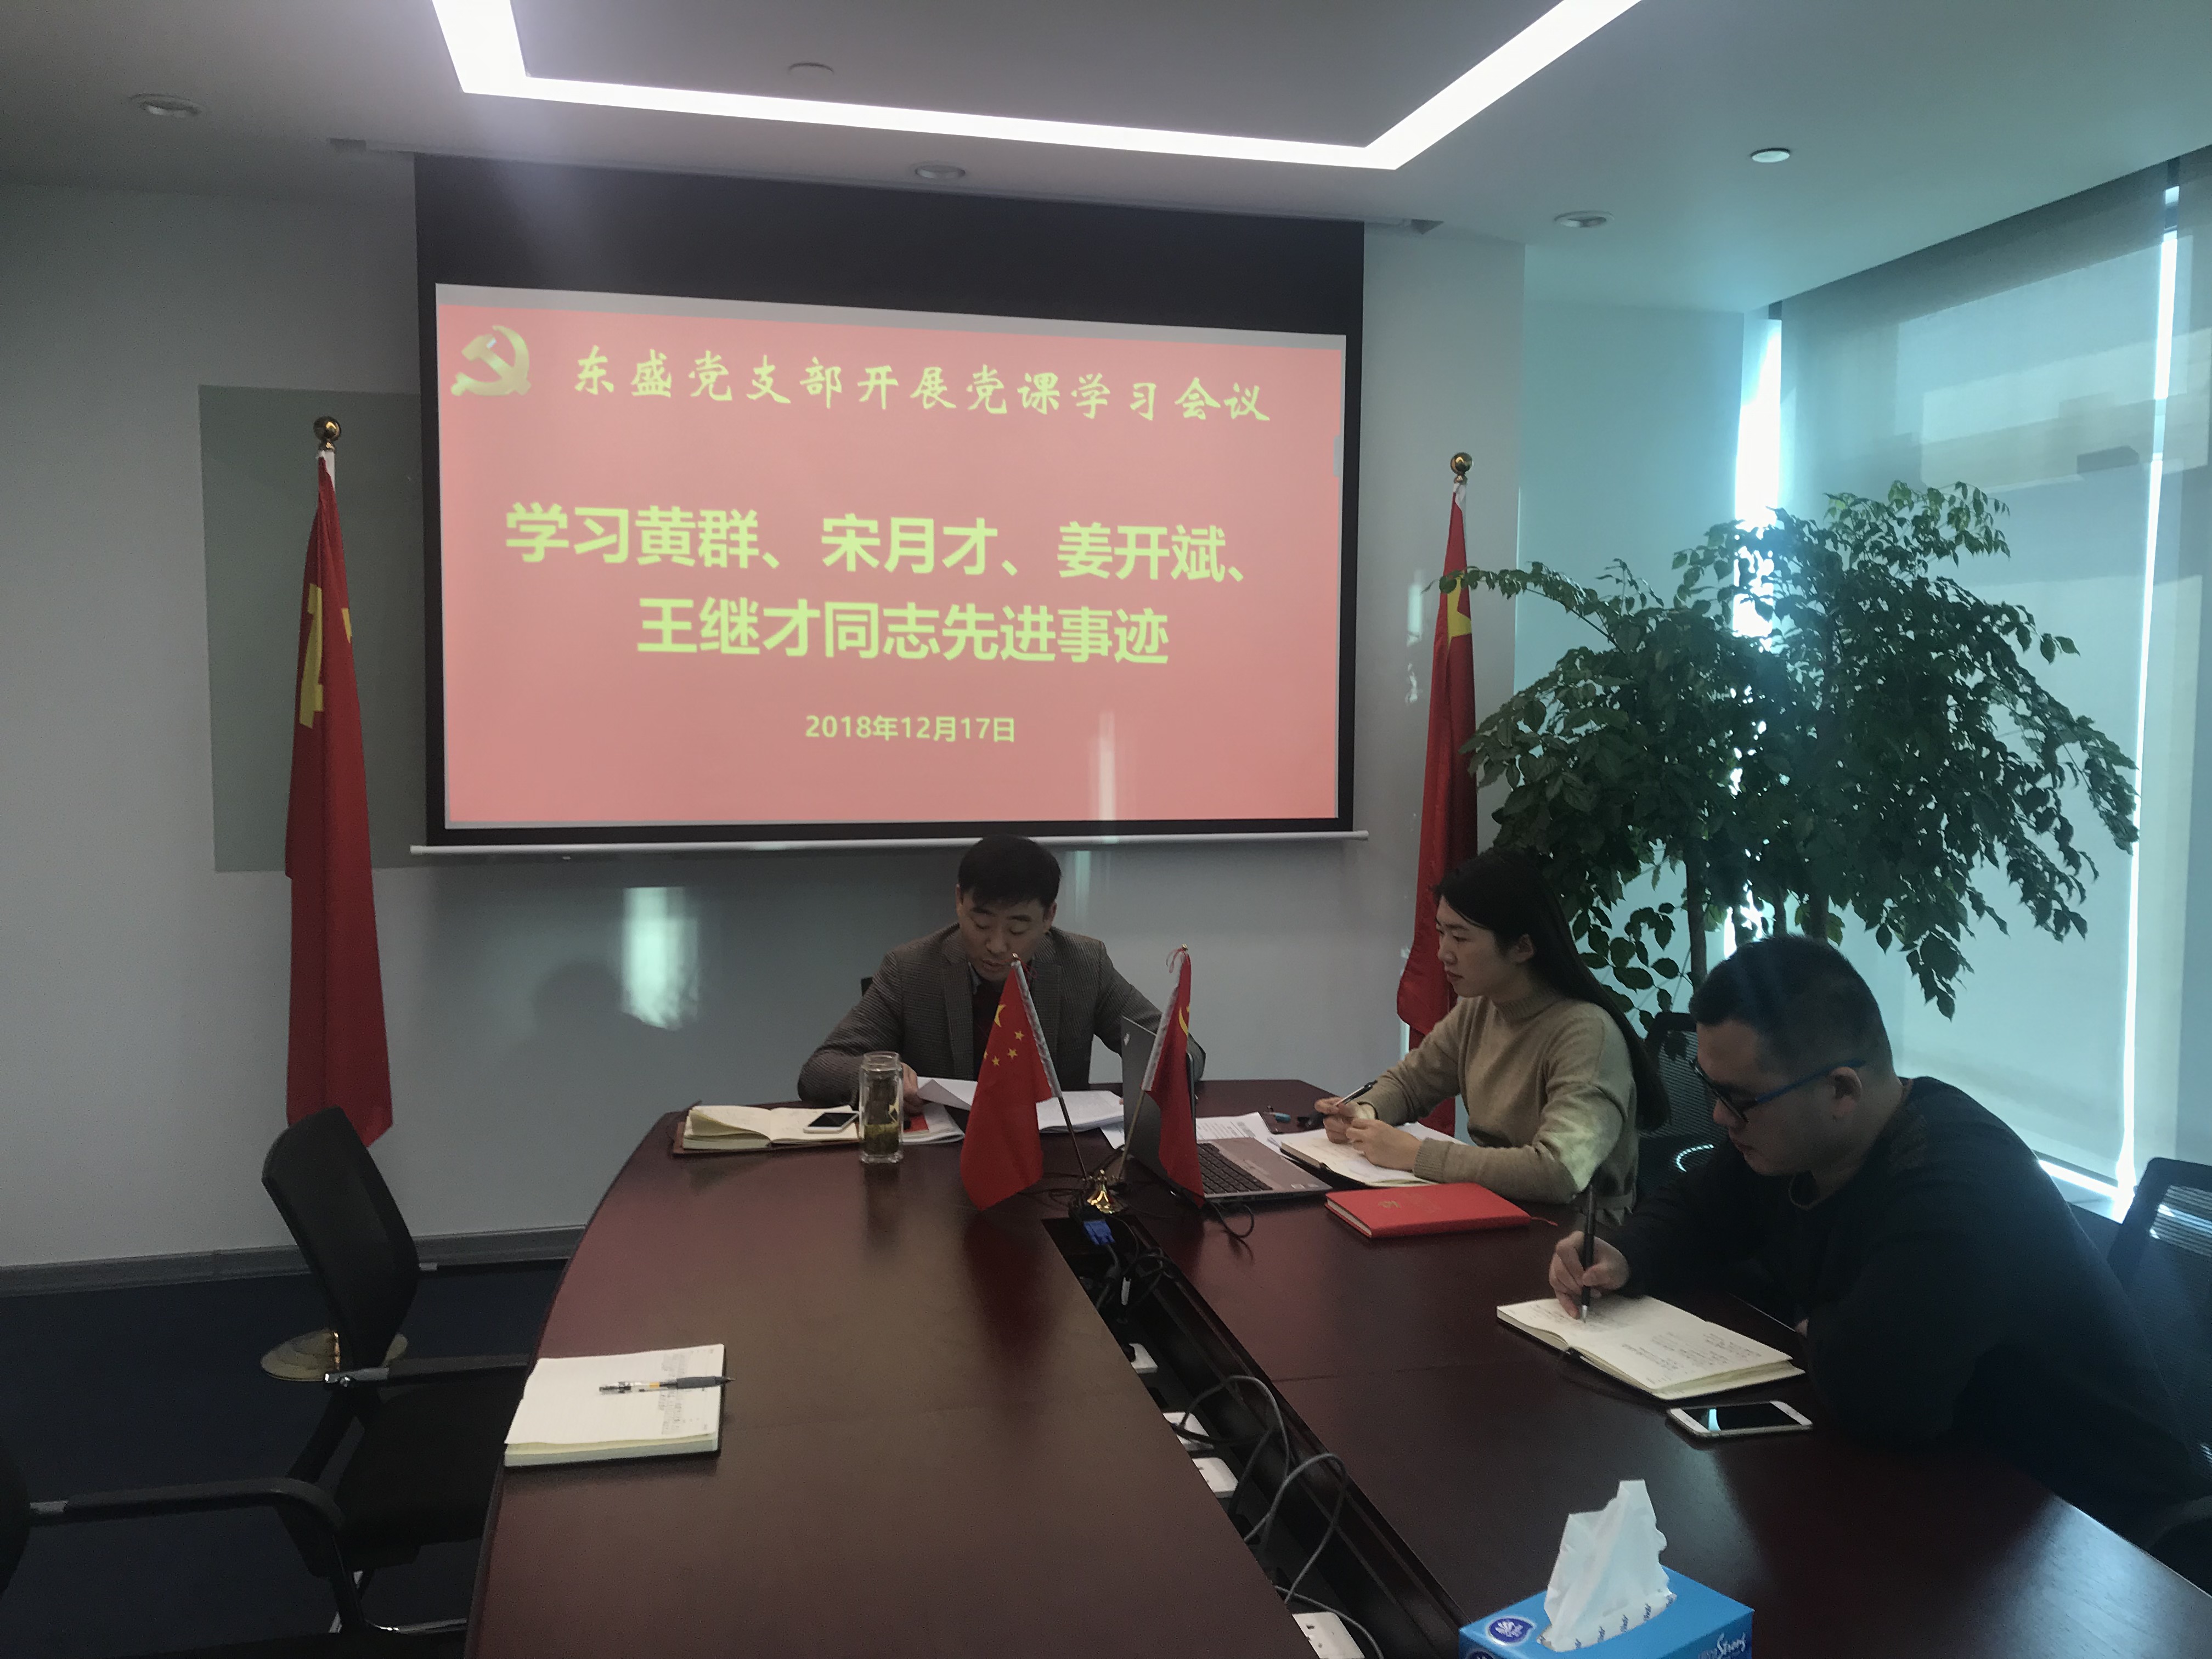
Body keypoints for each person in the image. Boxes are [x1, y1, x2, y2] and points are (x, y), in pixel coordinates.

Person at [1549, 934, 2210, 1548]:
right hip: (1962, 1492)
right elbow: (1698, 1208)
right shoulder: (1793, 1142)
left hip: (2110, 1535)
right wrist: (1626, 1253)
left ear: (1841, 1090)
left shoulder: (1957, 1188)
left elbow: (1878, 1398)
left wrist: (1828, 1330)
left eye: (1739, 1098)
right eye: (1710, 1088)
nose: (1721, 1116)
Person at [1314, 850, 1660, 1216]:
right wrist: (1365, 1112)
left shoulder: (1587, 1035)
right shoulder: (1481, 1008)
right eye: (1441, 933)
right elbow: (1411, 1083)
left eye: (1461, 938)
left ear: (1522, 947)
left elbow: (1559, 1171)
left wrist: (1416, 1155)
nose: (1444, 953)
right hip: (1496, 1208)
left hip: (1574, 1231)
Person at [797, 834, 1182, 1107]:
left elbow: (1179, 1053)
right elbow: (821, 1069)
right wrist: (881, 1077)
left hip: (1054, 1160)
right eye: (981, 924)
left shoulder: (1084, 964)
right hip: (944, 1163)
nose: (997, 945)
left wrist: (1149, 1086)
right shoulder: (911, 969)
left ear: (1049, 917)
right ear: (959, 901)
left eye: (1017, 929)